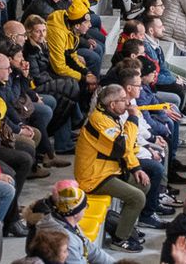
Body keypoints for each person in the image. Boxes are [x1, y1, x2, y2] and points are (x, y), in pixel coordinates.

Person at [74, 84, 149, 253]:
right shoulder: (99, 120)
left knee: (143, 184)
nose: (128, 103)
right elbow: (123, 146)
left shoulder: (111, 116)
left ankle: (124, 225)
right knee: (137, 198)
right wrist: (133, 118)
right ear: (113, 104)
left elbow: (127, 149)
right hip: (93, 177)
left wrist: (136, 168)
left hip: (108, 169)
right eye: (123, 100)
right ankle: (120, 239)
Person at [33, 180, 115, 264]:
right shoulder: (66, 239)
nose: (85, 209)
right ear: (76, 213)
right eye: (85, 206)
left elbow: (90, 248)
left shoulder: (68, 222)